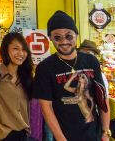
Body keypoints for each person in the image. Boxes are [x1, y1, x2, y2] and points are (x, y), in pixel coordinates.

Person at [35, 11, 110, 141]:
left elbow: (102, 98)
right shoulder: (45, 67)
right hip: (64, 136)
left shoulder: (91, 61)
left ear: (76, 35)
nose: (64, 42)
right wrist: (60, 138)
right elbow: (46, 106)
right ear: (50, 38)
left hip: (94, 134)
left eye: (68, 36)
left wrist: (105, 132)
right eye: (57, 37)